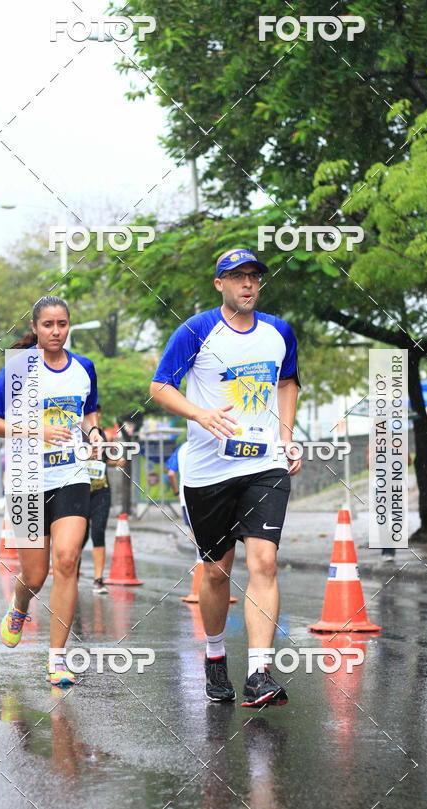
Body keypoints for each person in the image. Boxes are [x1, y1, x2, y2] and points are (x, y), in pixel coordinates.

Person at [150, 247, 301, 707]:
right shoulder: (196, 330)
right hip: (209, 470)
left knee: (264, 563)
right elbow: (159, 386)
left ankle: (259, 672)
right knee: (217, 572)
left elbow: (288, 381)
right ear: (220, 284)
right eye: (237, 277)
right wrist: (199, 414)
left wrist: (287, 434)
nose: (247, 284)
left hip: (264, 465)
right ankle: (215, 656)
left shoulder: (279, 332)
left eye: (254, 276)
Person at [0, 295, 101, 687]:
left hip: (71, 477)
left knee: (67, 562)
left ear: (69, 326)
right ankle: (18, 605)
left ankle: (57, 659)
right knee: (35, 574)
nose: (55, 331)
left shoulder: (84, 367)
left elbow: (90, 409)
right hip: (26, 479)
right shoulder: (19, 370)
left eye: (62, 324)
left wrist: (94, 432)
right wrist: (38, 431)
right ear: (35, 328)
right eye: (47, 325)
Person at [81, 404, 125, 593]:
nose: (95, 417)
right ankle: (70, 571)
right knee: (78, 537)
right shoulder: (76, 435)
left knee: (98, 532)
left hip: (101, 491)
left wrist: (118, 461)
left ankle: (98, 579)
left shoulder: (102, 436)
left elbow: (105, 460)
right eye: (90, 414)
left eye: (97, 414)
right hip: (79, 493)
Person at [166, 439, 189, 526]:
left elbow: (171, 474)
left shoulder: (182, 448)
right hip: (209, 493)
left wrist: (177, 493)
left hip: (186, 496)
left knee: (194, 532)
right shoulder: (209, 446)